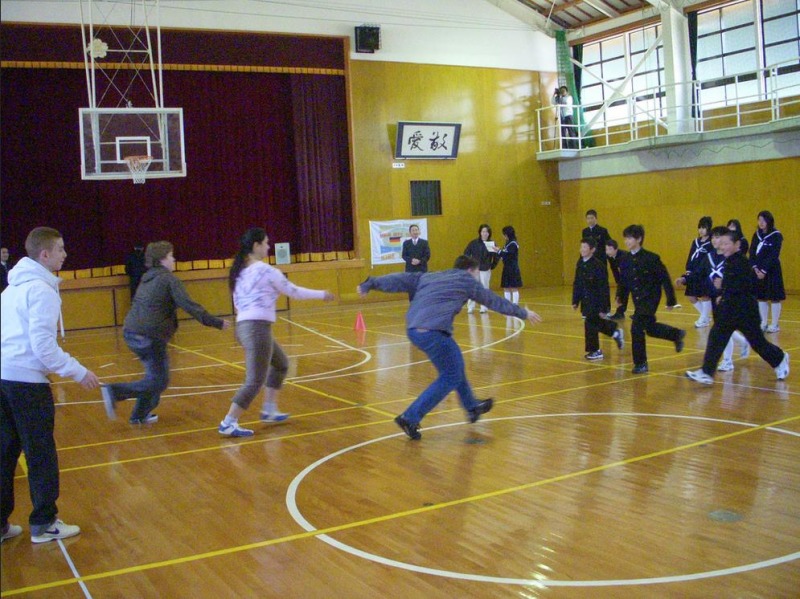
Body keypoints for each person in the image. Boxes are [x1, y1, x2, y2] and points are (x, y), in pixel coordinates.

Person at [357, 255, 542, 440]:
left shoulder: (429, 276)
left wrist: (371, 283)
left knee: (455, 363)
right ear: (470, 270)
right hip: (433, 331)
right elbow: (492, 300)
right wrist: (522, 312)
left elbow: (399, 279)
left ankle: (472, 408)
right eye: (477, 273)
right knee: (451, 375)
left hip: (414, 329)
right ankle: (410, 416)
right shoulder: (467, 280)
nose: (477, 277)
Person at [1, 227, 101, 544]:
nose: (65, 254)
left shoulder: (11, 290)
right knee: (40, 453)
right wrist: (78, 371)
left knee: (5, 452)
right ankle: (44, 522)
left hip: (4, 381)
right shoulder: (41, 291)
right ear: (44, 255)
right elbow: (43, 347)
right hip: (26, 384)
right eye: (60, 249)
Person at [217, 228, 335, 437]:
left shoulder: (240, 272)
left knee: (281, 364)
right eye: (266, 243)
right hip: (256, 328)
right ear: (256, 246)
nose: (269, 247)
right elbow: (293, 292)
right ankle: (229, 421)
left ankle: (269, 409)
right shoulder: (266, 271)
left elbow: (237, 303)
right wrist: (322, 294)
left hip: (245, 327)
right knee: (254, 380)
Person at [100, 241, 231, 424]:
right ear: (162, 260)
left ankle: (139, 415)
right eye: (171, 256)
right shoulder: (169, 279)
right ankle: (114, 391)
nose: (174, 259)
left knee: (154, 376)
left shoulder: (147, 277)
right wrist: (216, 322)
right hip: (149, 336)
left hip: (131, 332)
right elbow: (189, 305)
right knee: (159, 381)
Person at [686, 229, 789, 385]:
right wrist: (722, 291)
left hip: (746, 312)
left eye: (726, 243)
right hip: (730, 311)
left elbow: (749, 285)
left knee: (758, 343)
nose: (723, 247)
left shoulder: (741, 262)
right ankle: (706, 373)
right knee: (716, 338)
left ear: (737, 244)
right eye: (721, 243)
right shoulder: (729, 260)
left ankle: (780, 358)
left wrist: (723, 285)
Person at [616, 224, 686, 374]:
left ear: (639, 239)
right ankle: (676, 334)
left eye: (630, 238)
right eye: (625, 238)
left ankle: (641, 363)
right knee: (649, 328)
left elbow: (665, 279)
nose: (626, 241)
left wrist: (671, 300)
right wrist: (620, 297)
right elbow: (624, 281)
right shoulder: (625, 259)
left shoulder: (651, 258)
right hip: (638, 300)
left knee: (636, 328)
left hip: (650, 298)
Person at [572, 238, 623, 360]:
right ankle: (614, 332)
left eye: (585, 247)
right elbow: (577, 283)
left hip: (596, 301)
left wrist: (604, 308)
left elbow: (603, 288)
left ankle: (595, 350)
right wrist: (575, 300)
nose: (582, 250)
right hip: (585, 301)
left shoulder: (598, 266)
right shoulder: (580, 264)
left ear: (592, 249)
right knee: (594, 323)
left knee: (590, 324)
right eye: (581, 247)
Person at [749, 210, 784, 333]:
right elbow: (752, 251)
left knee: (774, 297)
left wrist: (764, 270)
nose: (761, 223)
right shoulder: (756, 234)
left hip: (772, 270)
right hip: (757, 270)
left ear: (769, 221)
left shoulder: (776, 235)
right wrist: (755, 268)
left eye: (763, 220)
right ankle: (763, 322)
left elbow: (773, 255)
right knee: (761, 297)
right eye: (759, 220)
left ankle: (774, 324)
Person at [679, 216, 713, 328]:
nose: (701, 230)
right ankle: (705, 316)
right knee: (691, 296)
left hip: (704, 274)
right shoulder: (695, 242)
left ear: (709, 228)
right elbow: (691, 256)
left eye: (704, 227)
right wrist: (688, 269)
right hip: (693, 273)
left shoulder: (711, 243)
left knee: (704, 296)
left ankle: (703, 318)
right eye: (700, 228)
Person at [463, 224, 499, 313]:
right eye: (483, 231)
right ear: (480, 232)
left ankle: (484, 307)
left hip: (485, 269)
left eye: (487, 232)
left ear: (489, 233)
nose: (485, 233)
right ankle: (470, 307)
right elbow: (466, 253)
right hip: (474, 269)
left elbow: (496, 256)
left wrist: (492, 265)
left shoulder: (492, 244)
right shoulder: (473, 243)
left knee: (484, 287)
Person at [582, 210, 611, 314]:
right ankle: (588, 310)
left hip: (600, 262)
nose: (590, 220)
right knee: (588, 286)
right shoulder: (585, 231)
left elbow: (609, 244)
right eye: (588, 218)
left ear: (596, 218)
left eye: (592, 218)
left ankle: (606, 310)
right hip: (589, 263)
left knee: (603, 286)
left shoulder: (602, 231)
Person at [496, 225, 522, 305]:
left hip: (513, 268)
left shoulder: (513, 243)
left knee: (513, 287)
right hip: (506, 267)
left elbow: (509, 255)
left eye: (504, 234)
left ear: (507, 234)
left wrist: (499, 251)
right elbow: (504, 254)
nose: (503, 236)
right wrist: (498, 252)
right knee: (506, 287)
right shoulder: (507, 243)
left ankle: (515, 305)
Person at [604, 239, 628, 320]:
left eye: (610, 249)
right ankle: (620, 313)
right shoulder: (609, 256)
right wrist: (618, 281)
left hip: (637, 274)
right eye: (606, 249)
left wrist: (618, 294)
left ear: (616, 249)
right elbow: (614, 269)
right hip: (626, 275)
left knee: (625, 292)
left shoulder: (623, 257)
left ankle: (640, 315)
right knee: (623, 292)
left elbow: (625, 275)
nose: (608, 251)